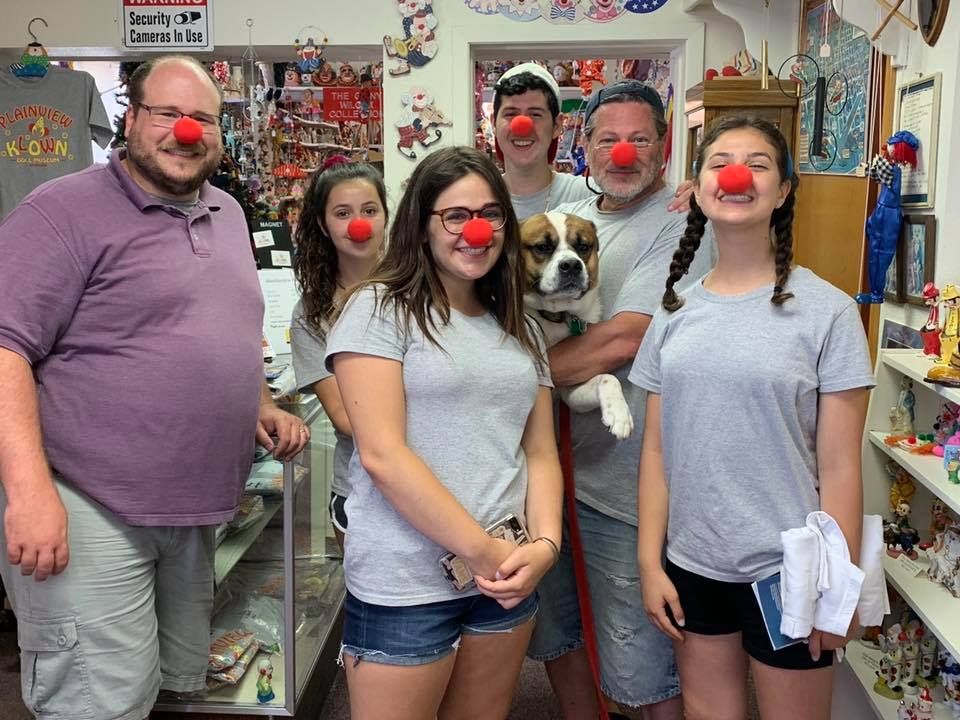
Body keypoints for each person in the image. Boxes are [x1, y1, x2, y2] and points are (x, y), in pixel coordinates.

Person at [0, 55, 308, 720]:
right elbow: (5, 348)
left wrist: (256, 402)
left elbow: (227, 325)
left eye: (202, 118)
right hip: (88, 504)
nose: (186, 132)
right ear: (131, 119)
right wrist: (28, 494)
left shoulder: (226, 212)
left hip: (196, 512)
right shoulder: (60, 211)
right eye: (167, 114)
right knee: (97, 701)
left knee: (174, 689)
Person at [630, 116, 873, 720]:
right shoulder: (673, 312)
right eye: (720, 162)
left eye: (758, 164)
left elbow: (841, 465)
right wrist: (647, 560)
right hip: (692, 562)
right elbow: (657, 452)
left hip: (790, 568)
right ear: (698, 185)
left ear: (784, 190)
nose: (737, 174)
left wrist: (832, 587)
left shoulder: (829, 312)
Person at [324, 146, 563, 720]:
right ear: (421, 225)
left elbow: (541, 451)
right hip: (406, 580)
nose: (475, 230)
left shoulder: (521, 325)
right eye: (455, 215)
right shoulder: (378, 310)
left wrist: (545, 547)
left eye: (490, 213)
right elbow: (383, 454)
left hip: (503, 577)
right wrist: (485, 551)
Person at [526, 79, 714, 720]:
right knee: (558, 636)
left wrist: (504, 380)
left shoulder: (684, 219)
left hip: (624, 485)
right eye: (608, 138)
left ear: (664, 148)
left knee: (641, 665)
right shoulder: (577, 210)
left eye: (640, 139)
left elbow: (625, 338)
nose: (623, 153)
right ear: (583, 144)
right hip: (544, 480)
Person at [290, 161, 388, 549]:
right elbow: (347, 419)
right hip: (361, 490)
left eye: (369, 210)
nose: (358, 224)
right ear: (323, 224)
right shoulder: (311, 314)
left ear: (385, 215)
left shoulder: (421, 289)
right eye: (342, 213)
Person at [492, 63, 692, 221]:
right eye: (510, 114)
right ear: (493, 122)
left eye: (536, 114)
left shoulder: (594, 191)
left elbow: (641, 190)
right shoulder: (477, 196)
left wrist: (694, 195)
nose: (522, 125)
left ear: (557, 126)